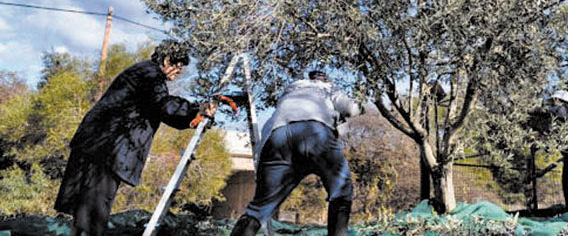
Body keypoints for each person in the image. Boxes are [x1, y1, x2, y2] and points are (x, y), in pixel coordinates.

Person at [54, 40, 216, 236]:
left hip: (95, 145)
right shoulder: (150, 75)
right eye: (178, 67)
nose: (178, 73)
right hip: (104, 149)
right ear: (166, 60)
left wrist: (191, 115)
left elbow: (160, 108)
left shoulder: (143, 72)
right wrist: (196, 110)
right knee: (93, 214)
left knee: (85, 214)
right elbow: (164, 106)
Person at [231, 70, 363, 236]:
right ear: (324, 79)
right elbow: (351, 109)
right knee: (341, 190)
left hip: (276, 136)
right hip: (314, 132)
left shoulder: (292, 88)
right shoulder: (329, 87)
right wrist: (362, 103)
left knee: (258, 208)